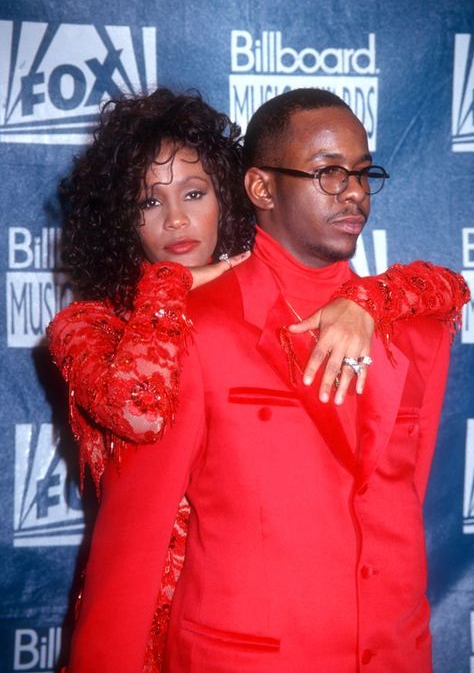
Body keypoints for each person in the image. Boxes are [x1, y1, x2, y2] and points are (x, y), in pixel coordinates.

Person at [49, 88, 469, 673]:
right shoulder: (174, 334)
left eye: (362, 173)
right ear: (261, 189)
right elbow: (132, 549)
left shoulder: (414, 328)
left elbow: (403, 501)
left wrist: (369, 298)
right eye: (327, 173)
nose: (351, 190)